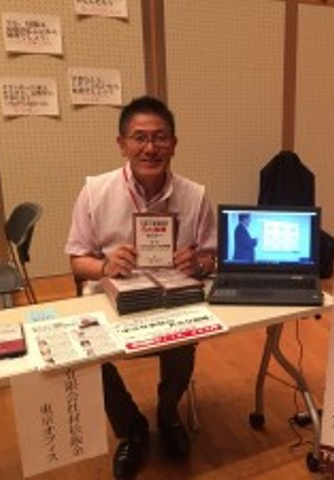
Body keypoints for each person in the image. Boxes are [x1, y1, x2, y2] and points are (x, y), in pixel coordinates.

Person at [65, 95, 216, 479]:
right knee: (87, 354)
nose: (151, 148)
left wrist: (197, 263)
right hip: (112, 298)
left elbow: (211, 257)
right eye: (140, 138)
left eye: (160, 137)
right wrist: (105, 265)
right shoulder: (95, 192)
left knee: (184, 340)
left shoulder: (195, 195)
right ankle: (131, 428)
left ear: (174, 144)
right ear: (122, 144)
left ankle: (167, 412)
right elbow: (77, 260)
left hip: (173, 298)